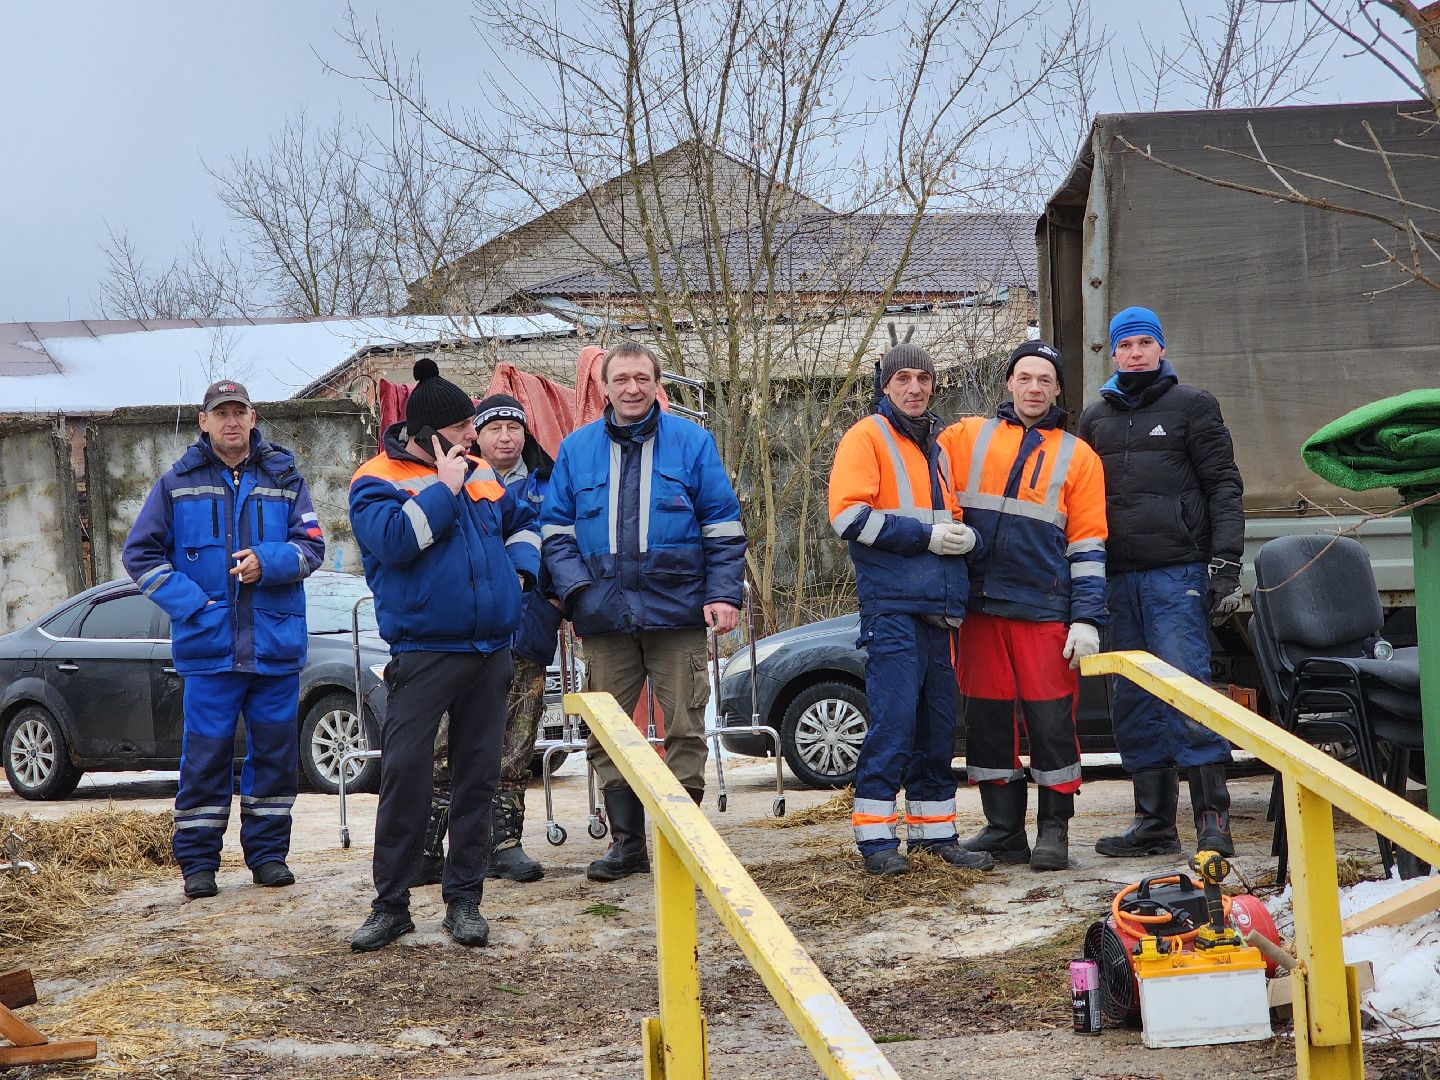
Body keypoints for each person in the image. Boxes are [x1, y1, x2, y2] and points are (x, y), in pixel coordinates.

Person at [347, 359, 539, 951]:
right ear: (427, 433)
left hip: (490, 650)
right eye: (460, 428)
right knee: (404, 775)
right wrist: (444, 490)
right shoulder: (374, 479)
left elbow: (524, 520)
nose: (472, 437)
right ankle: (391, 905)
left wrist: (522, 576)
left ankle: (465, 901)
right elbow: (397, 545)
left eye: (470, 427)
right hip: (424, 651)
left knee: (476, 777)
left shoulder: (484, 473)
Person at [540, 340, 745, 883]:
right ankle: (628, 846)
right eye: (621, 379)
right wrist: (576, 591)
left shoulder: (692, 444)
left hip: (677, 612)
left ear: (658, 385)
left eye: (642, 378)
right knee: (608, 731)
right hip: (604, 614)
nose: (632, 388)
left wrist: (723, 594)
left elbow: (723, 525)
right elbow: (554, 532)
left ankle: (683, 843)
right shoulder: (576, 449)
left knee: (684, 725)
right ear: (603, 386)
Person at [122, 379, 324, 900]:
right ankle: (198, 865)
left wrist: (268, 562)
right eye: (222, 413)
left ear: (253, 419)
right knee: (205, 759)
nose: (232, 421)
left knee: (276, 757)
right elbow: (140, 555)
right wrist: (191, 604)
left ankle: (268, 856)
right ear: (203, 421)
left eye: (240, 412)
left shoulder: (285, 479)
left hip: (274, 648)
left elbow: (312, 547)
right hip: (209, 649)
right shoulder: (176, 483)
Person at [1076, 307, 1244, 858]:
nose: (1137, 353)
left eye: (1146, 342)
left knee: (1188, 693)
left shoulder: (1193, 406)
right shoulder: (1094, 418)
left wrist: (1224, 562)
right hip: (1116, 580)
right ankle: (1154, 823)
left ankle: (1213, 823)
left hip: (1177, 574)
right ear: (1114, 353)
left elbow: (1223, 484)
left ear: (1162, 349)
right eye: (1126, 345)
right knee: (1133, 699)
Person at [939, 341, 1108, 872]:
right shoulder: (964, 437)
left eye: (1045, 380)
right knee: (987, 721)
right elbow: (917, 465)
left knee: (1052, 721)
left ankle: (1053, 830)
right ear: (1009, 383)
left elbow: (1088, 546)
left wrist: (1086, 617)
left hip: (1044, 610)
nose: (1034, 388)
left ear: (1058, 389)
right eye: (1025, 377)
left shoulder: (1079, 456)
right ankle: (1003, 828)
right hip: (979, 607)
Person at [828, 343, 994, 876]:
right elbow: (849, 518)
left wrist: (963, 537)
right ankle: (876, 841)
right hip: (894, 609)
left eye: (924, 377)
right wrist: (928, 538)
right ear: (885, 384)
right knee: (894, 726)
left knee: (937, 729)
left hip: (939, 609)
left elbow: (945, 516)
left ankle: (934, 834)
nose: (915, 387)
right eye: (904, 377)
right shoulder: (867, 436)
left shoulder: (937, 449)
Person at [415, 393, 559, 886]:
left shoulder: (549, 480)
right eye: (494, 427)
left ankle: (504, 843)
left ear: (525, 433)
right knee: (440, 746)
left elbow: (559, 540)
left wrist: (549, 594)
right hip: (460, 636)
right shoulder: (456, 474)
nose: (505, 437)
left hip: (529, 632)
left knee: (515, 745)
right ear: (478, 432)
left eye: (513, 428)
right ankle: (429, 848)